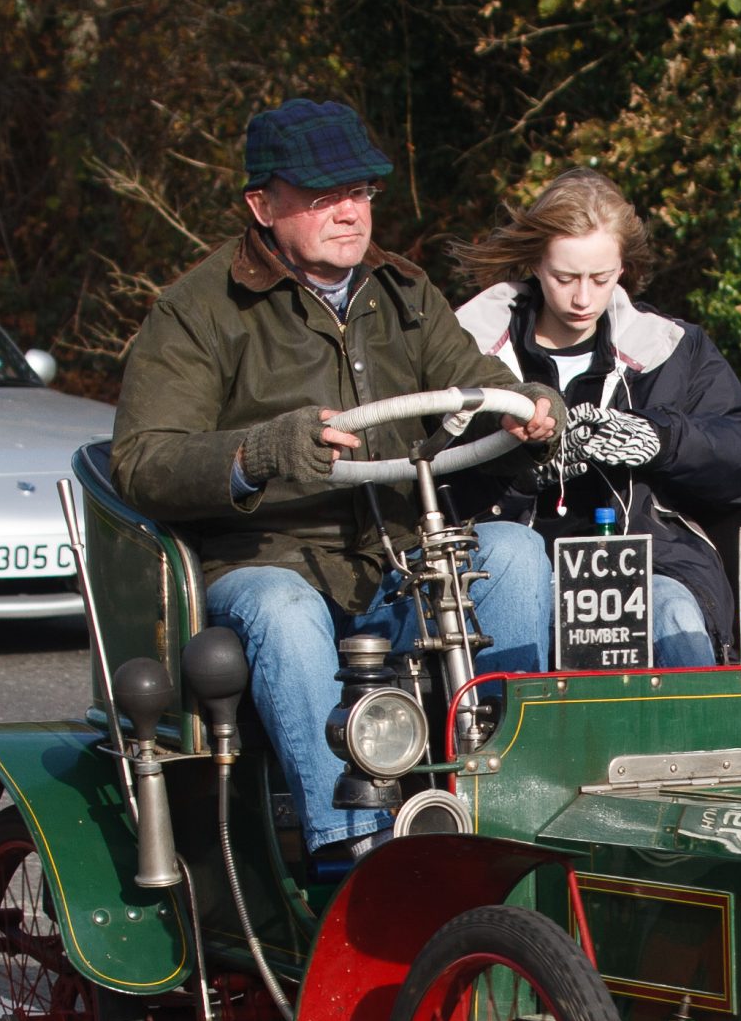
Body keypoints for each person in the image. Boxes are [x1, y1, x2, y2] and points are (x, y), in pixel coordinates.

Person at [111, 98, 564, 866]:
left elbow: (477, 383)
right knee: (285, 611)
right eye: (323, 197)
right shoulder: (199, 311)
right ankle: (347, 852)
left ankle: (509, 807)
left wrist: (533, 410)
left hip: (391, 565)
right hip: (262, 565)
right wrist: (260, 450)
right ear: (262, 204)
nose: (350, 213)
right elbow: (141, 460)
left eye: (359, 192)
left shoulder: (404, 292)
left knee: (512, 550)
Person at [447, 169, 741, 665]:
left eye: (601, 278)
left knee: (674, 615)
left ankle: (702, 744)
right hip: (507, 574)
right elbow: (425, 464)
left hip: (649, 569)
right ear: (534, 264)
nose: (583, 298)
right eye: (565, 278)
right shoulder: (465, 346)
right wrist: (520, 461)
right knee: (518, 602)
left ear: (623, 268)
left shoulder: (672, 347)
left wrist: (657, 439)